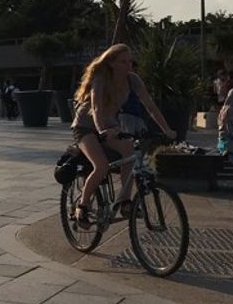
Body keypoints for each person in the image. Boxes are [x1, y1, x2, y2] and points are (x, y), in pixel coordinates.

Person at [71, 44, 174, 228]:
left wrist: (166, 129)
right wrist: (102, 130)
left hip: (110, 125)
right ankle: (82, 206)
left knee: (130, 153)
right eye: (123, 62)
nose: (129, 65)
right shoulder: (101, 78)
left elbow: (150, 106)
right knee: (101, 166)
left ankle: (125, 202)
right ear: (111, 63)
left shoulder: (133, 80)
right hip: (86, 126)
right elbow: (96, 107)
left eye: (130, 61)